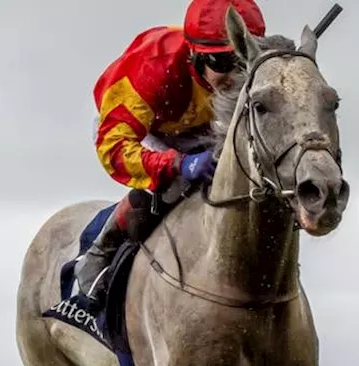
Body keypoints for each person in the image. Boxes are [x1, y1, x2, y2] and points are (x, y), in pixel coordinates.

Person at [73, 0, 268, 306]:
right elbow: (114, 149)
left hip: (202, 120)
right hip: (143, 125)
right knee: (171, 185)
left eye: (242, 61)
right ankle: (100, 253)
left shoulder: (236, 72)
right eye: (221, 63)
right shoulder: (153, 67)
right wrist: (180, 164)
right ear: (195, 54)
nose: (235, 76)